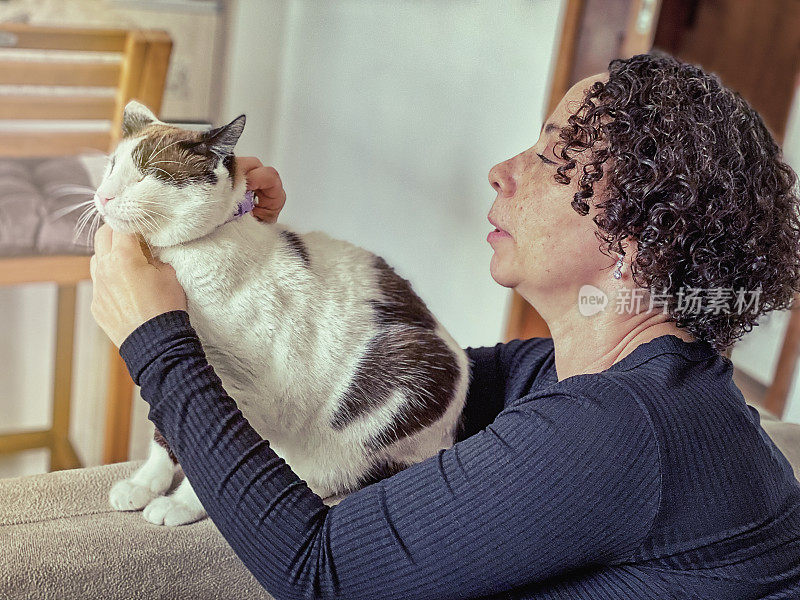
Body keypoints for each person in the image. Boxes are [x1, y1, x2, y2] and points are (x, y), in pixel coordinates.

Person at [89, 52, 800, 599]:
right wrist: (231, 237)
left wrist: (157, 341)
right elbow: (387, 375)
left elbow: (316, 572)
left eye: (553, 156)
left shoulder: (623, 427)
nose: (502, 170)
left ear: (642, 228)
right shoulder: (599, 380)